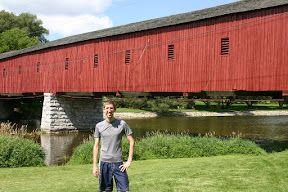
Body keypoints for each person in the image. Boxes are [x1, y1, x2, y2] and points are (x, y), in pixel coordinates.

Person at [93, 100, 135, 192]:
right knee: (107, 190)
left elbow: (132, 142)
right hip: (104, 162)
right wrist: (94, 166)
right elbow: (96, 146)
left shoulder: (122, 124)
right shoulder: (99, 126)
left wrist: (129, 161)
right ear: (104, 110)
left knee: (125, 190)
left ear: (115, 110)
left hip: (119, 164)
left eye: (111, 108)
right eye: (107, 108)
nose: (109, 110)